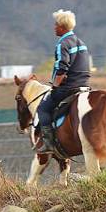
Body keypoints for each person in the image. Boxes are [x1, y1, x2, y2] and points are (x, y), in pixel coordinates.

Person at [36, 9, 91, 153]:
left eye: (56, 24)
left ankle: (48, 144)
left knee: (42, 108)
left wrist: (54, 85)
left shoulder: (62, 44)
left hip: (69, 88)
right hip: (85, 87)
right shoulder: (81, 42)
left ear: (62, 26)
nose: (54, 27)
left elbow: (62, 68)